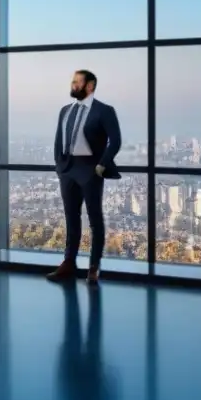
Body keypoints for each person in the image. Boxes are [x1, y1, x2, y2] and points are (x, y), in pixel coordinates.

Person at [46, 69, 121, 285]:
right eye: (72, 81)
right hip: (68, 169)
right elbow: (58, 140)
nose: (73, 85)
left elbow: (115, 141)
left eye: (78, 82)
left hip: (90, 169)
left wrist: (100, 166)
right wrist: (59, 166)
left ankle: (94, 267)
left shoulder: (104, 111)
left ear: (90, 86)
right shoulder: (65, 110)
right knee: (71, 217)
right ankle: (68, 263)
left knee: (95, 219)